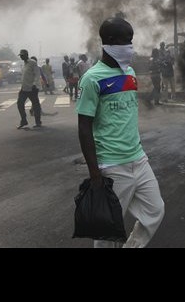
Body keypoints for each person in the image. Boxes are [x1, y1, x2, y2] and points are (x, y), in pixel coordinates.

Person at [76, 17, 165, 248]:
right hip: (112, 165)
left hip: (138, 158)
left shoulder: (130, 73)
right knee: (108, 229)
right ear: (110, 42)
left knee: (155, 210)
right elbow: (84, 127)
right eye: (127, 41)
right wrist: (95, 172)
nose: (131, 47)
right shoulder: (92, 79)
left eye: (131, 41)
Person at [16, 49, 42, 129]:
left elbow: (37, 74)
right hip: (24, 88)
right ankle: (23, 120)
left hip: (32, 88)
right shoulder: (24, 64)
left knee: (35, 105)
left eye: (22, 55)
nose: (21, 57)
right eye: (20, 56)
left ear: (27, 55)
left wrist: (35, 84)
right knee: (20, 103)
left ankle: (38, 122)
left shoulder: (32, 63)